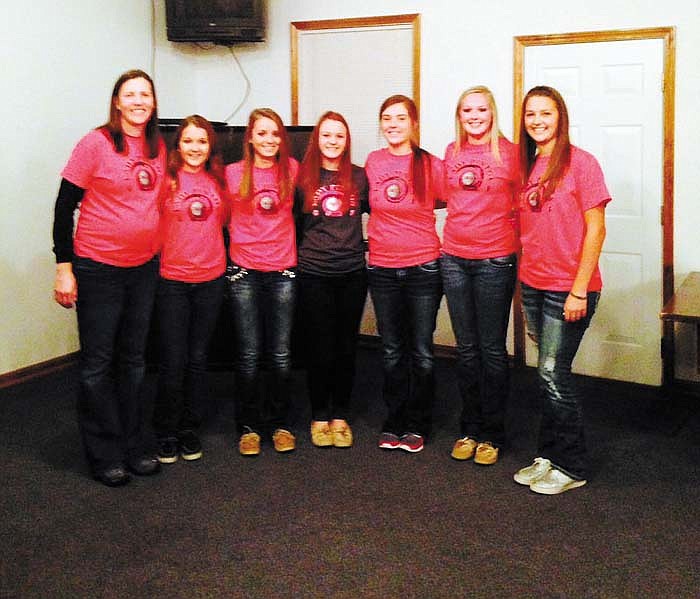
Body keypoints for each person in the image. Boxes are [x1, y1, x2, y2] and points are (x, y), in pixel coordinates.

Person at [52, 69, 166, 486]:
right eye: (130, 94)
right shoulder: (95, 143)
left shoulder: (157, 147)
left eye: (145, 95)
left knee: (134, 361)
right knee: (98, 364)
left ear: (153, 103)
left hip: (143, 269)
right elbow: (65, 207)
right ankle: (104, 453)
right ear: (117, 102)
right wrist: (64, 267)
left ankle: (135, 445)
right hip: (99, 268)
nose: (139, 101)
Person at [513, 85, 610, 494]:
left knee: (553, 372)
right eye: (531, 114)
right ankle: (548, 455)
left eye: (545, 113)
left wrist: (579, 290)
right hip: (533, 283)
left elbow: (596, 228)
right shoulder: (529, 163)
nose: (537, 121)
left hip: (568, 288)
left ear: (560, 117)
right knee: (549, 371)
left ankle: (572, 465)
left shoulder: (582, 163)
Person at [440, 86, 519, 465]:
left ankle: (493, 433)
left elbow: (527, 205)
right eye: (467, 109)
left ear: (493, 113)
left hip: (494, 260)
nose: (474, 115)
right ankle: (469, 428)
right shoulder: (451, 153)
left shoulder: (511, 153)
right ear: (459, 115)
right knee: (466, 349)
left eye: (481, 109)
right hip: (454, 257)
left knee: (491, 350)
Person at [364, 95, 444, 453]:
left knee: (422, 349)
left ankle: (418, 422)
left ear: (414, 124)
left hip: (423, 267)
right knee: (392, 349)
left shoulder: (431, 165)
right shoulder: (373, 162)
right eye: (386, 118)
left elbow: (448, 200)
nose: (393, 124)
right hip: (382, 267)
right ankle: (394, 419)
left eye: (400, 118)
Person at [152, 115, 228, 464]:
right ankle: (165, 430)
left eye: (202, 141)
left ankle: (188, 428)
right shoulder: (164, 181)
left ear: (209, 146)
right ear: (178, 146)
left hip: (210, 280)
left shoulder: (219, 181)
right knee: (172, 360)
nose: (195, 148)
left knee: (198, 359)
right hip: (173, 281)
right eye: (189, 141)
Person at [224, 108, 299, 456]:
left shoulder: (293, 170)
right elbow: (219, 219)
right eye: (262, 133)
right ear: (250, 138)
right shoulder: (232, 174)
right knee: (249, 353)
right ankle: (250, 427)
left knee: (281, 354)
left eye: (275, 134)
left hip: (282, 270)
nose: (269, 140)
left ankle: (280, 424)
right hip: (244, 273)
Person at [294, 111, 369, 448]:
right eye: (327, 135)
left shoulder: (360, 177)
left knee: (345, 347)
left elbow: (382, 215)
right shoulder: (302, 177)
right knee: (318, 347)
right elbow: (293, 225)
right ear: (317, 139)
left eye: (339, 136)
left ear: (346, 140)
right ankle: (319, 415)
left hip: (352, 273)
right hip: (314, 274)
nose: (333, 141)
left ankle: (340, 414)